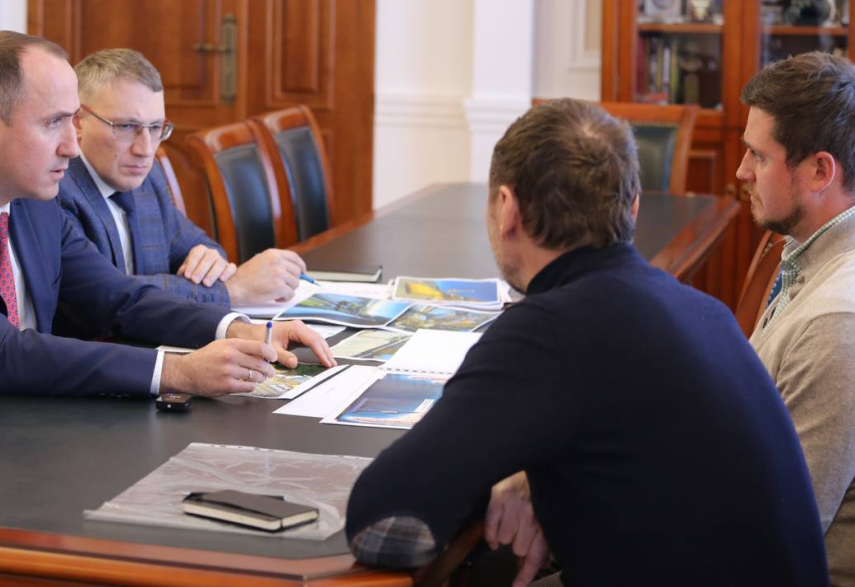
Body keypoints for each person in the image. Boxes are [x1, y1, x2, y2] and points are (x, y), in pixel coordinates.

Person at [345, 99, 827, 585]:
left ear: (507, 209)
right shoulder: (702, 311)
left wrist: (495, 478)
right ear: (633, 207)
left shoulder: (550, 331)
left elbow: (381, 518)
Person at [0, 31, 332, 454]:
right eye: (55, 122)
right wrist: (178, 371)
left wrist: (239, 328)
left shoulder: (31, 193)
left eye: (72, 121)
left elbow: (116, 297)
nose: (72, 146)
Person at [57, 48, 305, 309]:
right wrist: (233, 289)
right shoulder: (59, 191)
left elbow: (197, 245)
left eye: (156, 127)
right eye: (126, 126)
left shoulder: (146, 176)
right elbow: (105, 295)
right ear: (78, 122)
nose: (146, 149)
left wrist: (208, 262)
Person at [738, 51, 855, 586]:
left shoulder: (836, 324)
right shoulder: (804, 252)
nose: (741, 172)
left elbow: (777, 541)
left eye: (759, 156)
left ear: (820, 171)